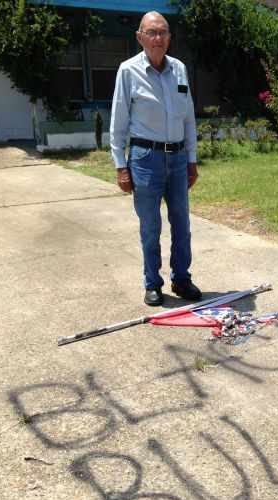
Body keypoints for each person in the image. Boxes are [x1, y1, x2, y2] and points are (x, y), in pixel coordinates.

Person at [110, 11, 201, 307]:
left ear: (169, 38)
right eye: (152, 33)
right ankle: (153, 283)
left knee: (181, 224)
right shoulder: (127, 71)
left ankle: (181, 277)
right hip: (145, 158)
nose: (158, 38)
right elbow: (118, 124)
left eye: (163, 33)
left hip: (177, 159)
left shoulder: (179, 70)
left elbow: (187, 119)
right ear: (140, 37)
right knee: (150, 227)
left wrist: (191, 159)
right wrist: (121, 168)